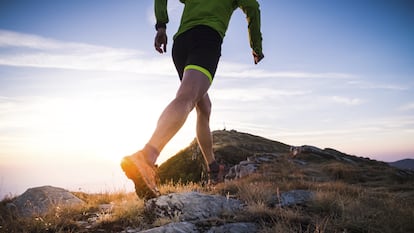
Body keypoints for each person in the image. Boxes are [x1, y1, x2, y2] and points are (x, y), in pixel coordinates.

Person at [121, 0, 264, 199]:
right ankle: (147, 156)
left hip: (181, 44)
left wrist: (161, 26)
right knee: (187, 97)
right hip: (206, 39)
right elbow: (253, 9)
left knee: (204, 106)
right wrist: (256, 46)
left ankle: (213, 167)